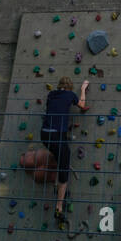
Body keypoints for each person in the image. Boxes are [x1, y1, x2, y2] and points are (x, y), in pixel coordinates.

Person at [41, 74, 89, 225]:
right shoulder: (70, 94)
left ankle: (58, 185)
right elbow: (82, 105)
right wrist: (83, 89)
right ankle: (59, 207)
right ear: (69, 87)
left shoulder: (51, 94)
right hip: (57, 137)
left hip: (44, 135)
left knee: (59, 156)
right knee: (64, 170)